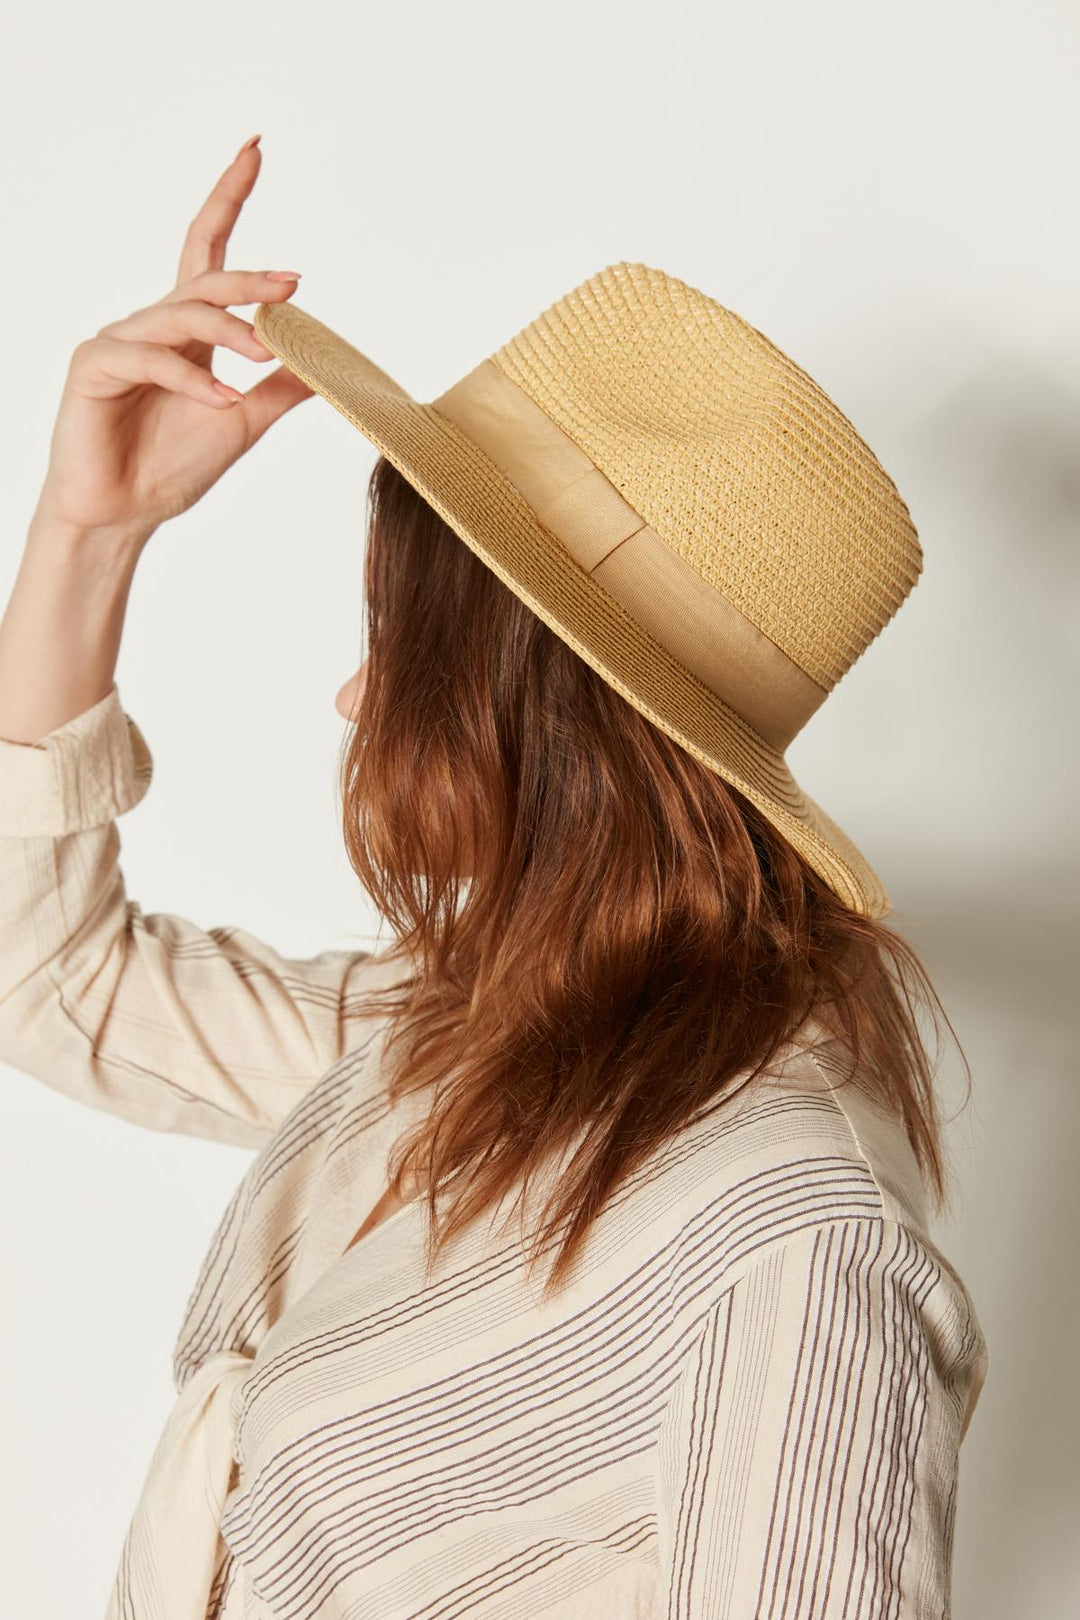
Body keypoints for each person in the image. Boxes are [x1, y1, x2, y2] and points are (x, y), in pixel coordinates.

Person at [0, 133, 988, 1620]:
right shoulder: (463, 1039)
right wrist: (90, 537)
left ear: (538, 718)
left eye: (399, 641)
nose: (352, 699)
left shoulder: (790, 1242)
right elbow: (51, 976)